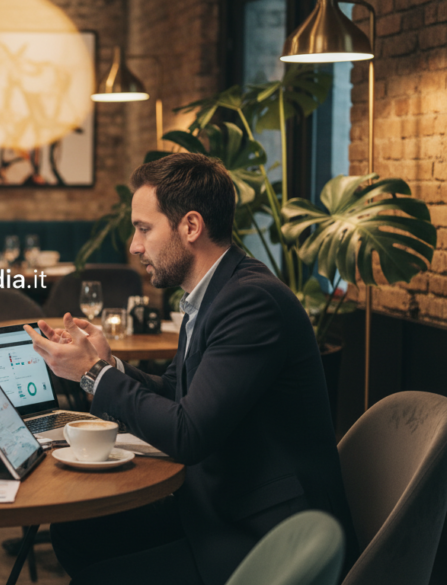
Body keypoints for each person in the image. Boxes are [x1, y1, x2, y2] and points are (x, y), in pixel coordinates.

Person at [25, 153, 358, 585]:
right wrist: (107, 364)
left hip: (267, 532)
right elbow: (178, 392)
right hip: (220, 504)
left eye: (144, 228)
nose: (135, 245)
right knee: (76, 533)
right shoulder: (214, 293)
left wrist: (93, 374)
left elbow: (188, 433)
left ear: (191, 226)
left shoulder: (251, 302)